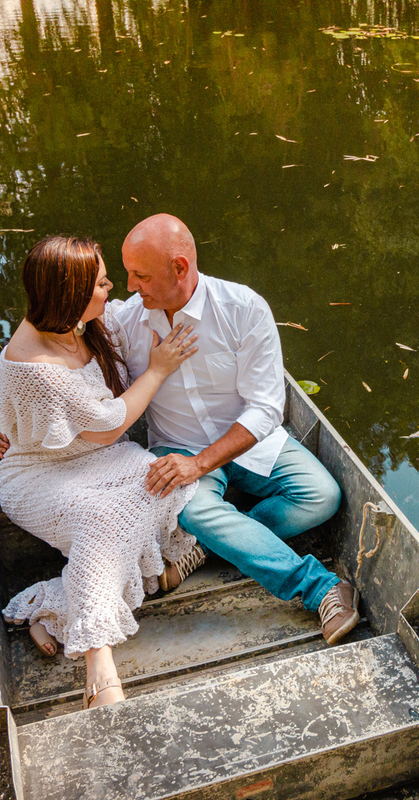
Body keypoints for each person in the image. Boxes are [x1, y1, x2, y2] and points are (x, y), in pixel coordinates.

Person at [109, 213, 360, 645]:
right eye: (128, 273)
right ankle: (320, 587)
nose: (130, 286)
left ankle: (205, 546)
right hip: (176, 448)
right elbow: (57, 346)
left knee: (323, 496)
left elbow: (266, 408)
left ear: (180, 268)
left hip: (248, 441)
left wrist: (201, 464)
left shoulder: (243, 308)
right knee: (195, 510)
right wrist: (12, 426)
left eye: (141, 275)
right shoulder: (125, 322)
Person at [0, 235, 199, 710]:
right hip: (39, 475)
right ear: (71, 292)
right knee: (100, 522)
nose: (112, 288)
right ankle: (98, 660)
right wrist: (160, 367)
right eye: (102, 283)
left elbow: (102, 436)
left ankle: (53, 603)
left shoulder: (75, 320)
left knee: (162, 474)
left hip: (94, 457)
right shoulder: (36, 363)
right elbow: (107, 427)